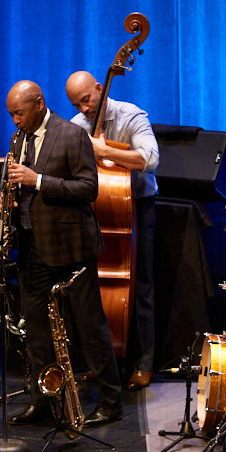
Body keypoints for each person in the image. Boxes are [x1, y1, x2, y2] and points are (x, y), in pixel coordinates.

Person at [0, 80, 124, 427]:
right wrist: (5, 198)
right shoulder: (17, 139)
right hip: (32, 247)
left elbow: (88, 188)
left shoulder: (71, 135)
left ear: (39, 104)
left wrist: (36, 180)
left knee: (89, 325)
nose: (15, 122)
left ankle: (112, 402)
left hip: (71, 247)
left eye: (19, 113)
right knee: (36, 330)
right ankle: (44, 401)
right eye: (11, 115)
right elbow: (17, 185)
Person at [65, 70, 159, 390]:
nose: (84, 109)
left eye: (87, 100)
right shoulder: (77, 127)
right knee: (92, 287)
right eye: (77, 105)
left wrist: (105, 151)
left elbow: (150, 158)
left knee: (142, 283)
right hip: (98, 211)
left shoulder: (130, 115)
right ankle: (101, 361)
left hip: (139, 207)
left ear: (101, 89)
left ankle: (144, 362)